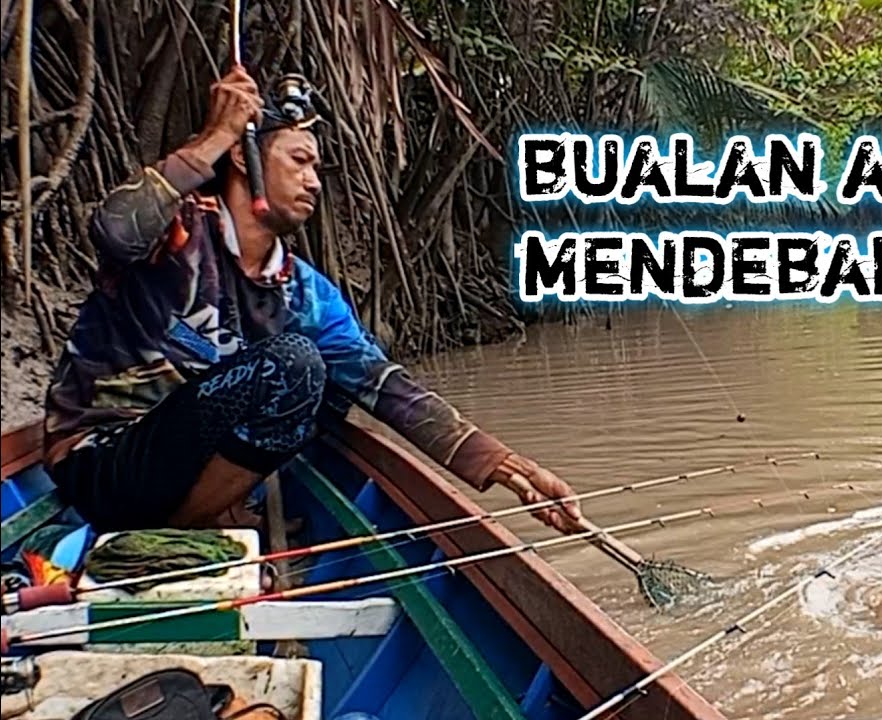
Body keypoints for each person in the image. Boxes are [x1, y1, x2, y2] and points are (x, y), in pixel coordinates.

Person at [42, 68, 584, 535]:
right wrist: (216, 136)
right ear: (243, 158)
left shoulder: (304, 292)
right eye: (299, 161)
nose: (313, 182)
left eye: (316, 168)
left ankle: (204, 515)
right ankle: (198, 524)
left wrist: (508, 468)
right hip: (104, 460)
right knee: (293, 365)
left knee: (327, 389)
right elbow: (114, 231)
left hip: (183, 473)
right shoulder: (178, 231)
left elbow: (382, 384)